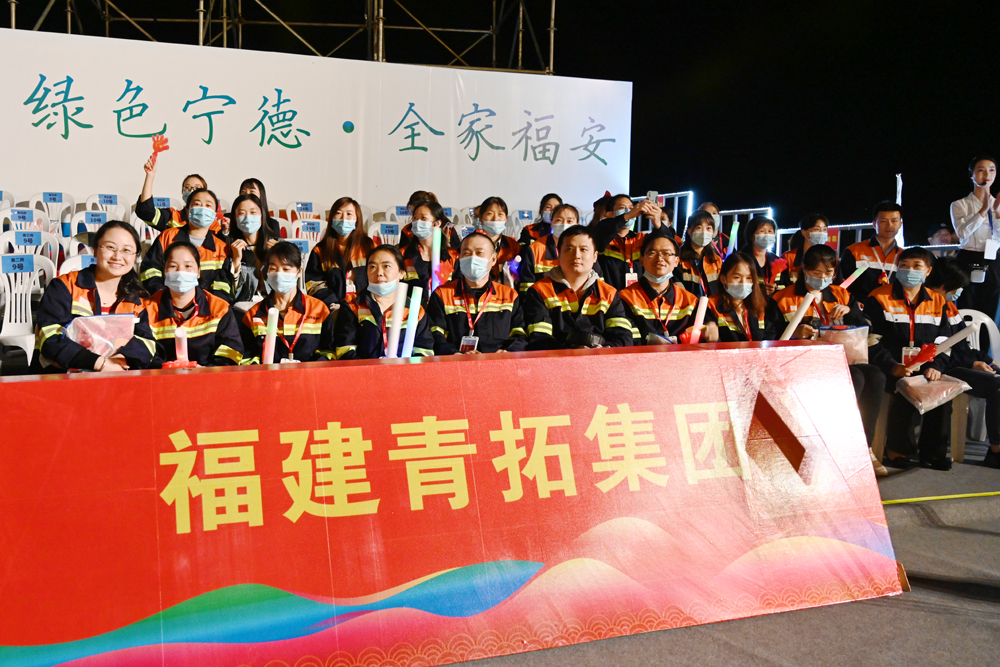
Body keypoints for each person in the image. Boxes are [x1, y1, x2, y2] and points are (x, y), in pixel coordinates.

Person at [768, 244, 885, 458]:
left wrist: (850, 311)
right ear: (804, 269)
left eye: (828, 272)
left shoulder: (842, 295)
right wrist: (795, 332)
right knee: (854, 377)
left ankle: (864, 447)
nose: (822, 278)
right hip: (802, 363)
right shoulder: (783, 298)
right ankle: (836, 442)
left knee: (876, 375)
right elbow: (770, 335)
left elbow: (865, 327)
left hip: (841, 358)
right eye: (816, 272)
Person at [865, 247, 953, 470]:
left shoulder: (938, 301)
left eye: (916, 266)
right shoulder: (879, 297)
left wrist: (936, 366)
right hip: (890, 365)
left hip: (926, 364)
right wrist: (892, 366)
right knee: (905, 387)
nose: (909, 270)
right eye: (904, 266)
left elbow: (944, 339)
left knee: (942, 392)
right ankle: (897, 450)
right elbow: (871, 339)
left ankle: (933, 453)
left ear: (928, 271)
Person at [34, 221, 156, 372]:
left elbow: (147, 343)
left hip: (115, 375)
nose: (117, 256)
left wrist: (118, 361)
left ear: (135, 256)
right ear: (95, 250)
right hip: (61, 377)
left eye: (126, 250)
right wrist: (100, 364)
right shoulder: (65, 286)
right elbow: (50, 338)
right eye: (110, 247)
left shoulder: (135, 300)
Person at [925, 257, 1000, 468]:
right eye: (957, 287)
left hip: (961, 363)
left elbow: (963, 345)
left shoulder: (950, 306)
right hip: (944, 367)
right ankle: (996, 451)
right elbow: (941, 348)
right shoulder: (928, 306)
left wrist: (988, 360)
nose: (959, 292)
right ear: (944, 284)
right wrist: (972, 364)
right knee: (997, 386)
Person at [521, 225, 633, 350]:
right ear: (558, 254)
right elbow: (539, 339)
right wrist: (573, 353)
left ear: (595, 256)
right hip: (557, 360)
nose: (577, 255)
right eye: (569, 249)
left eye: (583, 249)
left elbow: (623, 336)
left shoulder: (609, 293)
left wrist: (603, 350)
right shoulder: (539, 291)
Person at [145, 241, 244, 366]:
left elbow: (231, 352)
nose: (180, 271)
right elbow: (143, 353)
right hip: (162, 376)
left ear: (198, 272)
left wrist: (204, 371)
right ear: (164, 272)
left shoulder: (220, 309)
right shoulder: (146, 309)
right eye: (173, 266)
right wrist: (166, 368)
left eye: (188, 266)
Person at [426, 232, 527, 354]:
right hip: (457, 363)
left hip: (498, 362)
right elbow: (435, 335)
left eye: (479, 253)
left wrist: (507, 352)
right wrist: (454, 354)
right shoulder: (442, 294)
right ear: (460, 258)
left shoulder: (509, 295)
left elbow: (519, 334)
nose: (472, 258)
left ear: (493, 259)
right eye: (466, 253)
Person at [240, 242, 336, 363]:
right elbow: (247, 357)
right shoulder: (253, 315)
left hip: (310, 374)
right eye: (273, 269)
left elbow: (328, 351)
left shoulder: (319, 309)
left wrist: (308, 371)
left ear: (299, 272)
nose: (279, 274)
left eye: (286, 269)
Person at [333, 245, 435, 359]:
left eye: (386, 266)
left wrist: (405, 367)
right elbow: (345, 350)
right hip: (364, 369)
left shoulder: (414, 309)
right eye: (372, 267)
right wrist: (373, 368)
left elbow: (424, 350)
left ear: (401, 273)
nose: (379, 273)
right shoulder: (352, 305)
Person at [139, 188, 234, 302]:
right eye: (197, 204)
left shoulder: (222, 248)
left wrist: (208, 305)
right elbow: (150, 270)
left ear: (214, 214)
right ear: (188, 210)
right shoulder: (167, 237)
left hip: (207, 308)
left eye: (208, 205)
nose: (202, 209)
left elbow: (222, 285)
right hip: (165, 303)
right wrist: (161, 295)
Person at [619, 231, 714, 344]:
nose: (660, 258)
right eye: (652, 253)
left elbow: (700, 339)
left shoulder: (690, 302)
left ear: (676, 261)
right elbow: (627, 340)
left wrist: (710, 333)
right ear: (641, 260)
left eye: (667, 253)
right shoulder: (625, 298)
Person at [951, 156, 1000, 321]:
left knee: (991, 307)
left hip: (992, 258)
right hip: (968, 257)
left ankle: (987, 337)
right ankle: (965, 337)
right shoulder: (959, 204)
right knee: (965, 305)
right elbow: (962, 233)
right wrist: (983, 210)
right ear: (971, 175)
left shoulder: (998, 204)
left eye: (991, 170)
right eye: (981, 170)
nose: (987, 174)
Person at [304, 196, 374, 306]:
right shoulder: (320, 250)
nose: (343, 218)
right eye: (338, 213)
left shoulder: (369, 246)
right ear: (332, 218)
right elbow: (313, 283)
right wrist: (332, 302)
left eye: (349, 214)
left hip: (364, 305)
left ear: (357, 219)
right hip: (333, 307)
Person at [591, 193, 665, 290]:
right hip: (609, 294)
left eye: (631, 208)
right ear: (609, 214)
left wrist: (658, 223)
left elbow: (667, 246)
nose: (629, 211)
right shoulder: (603, 235)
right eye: (622, 208)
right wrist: (628, 215)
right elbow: (600, 234)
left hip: (637, 295)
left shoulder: (641, 238)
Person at [840, 202, 903, 306]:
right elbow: (842, 285)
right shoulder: (854, 251)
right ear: (874, 224)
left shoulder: (904, 256)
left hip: (892, 311)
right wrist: (853, 304)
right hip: (860, 310)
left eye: (894, 221)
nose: (889, 225)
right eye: (883, 221)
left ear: (900, 224)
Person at [706, 252, 773, 342]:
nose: (743, 283)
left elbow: (769, 336)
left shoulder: (760, 306)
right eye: (737, 277)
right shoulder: (712, 305)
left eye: (748, 278)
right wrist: (713, 339)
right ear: (723, 279)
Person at [398, 199, 458, 299]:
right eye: (415, 218)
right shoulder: (403, 254)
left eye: (423, 218)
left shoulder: (453, 256)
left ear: (437, 223)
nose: (418, 222)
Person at [135, 153, 209, 231]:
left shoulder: (212, 224)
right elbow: (146, 211)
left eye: (198, 188)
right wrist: (150, 176)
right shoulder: (172, 218)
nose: (192, 190)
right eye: (187, 187)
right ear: (183, 192)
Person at [228, 193, 278, 303]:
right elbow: (231, 290)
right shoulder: (229, 248)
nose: (247, 217)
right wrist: (236, 261)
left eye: (253, 212)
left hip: (273, 303)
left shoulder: (277, 245)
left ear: (262, 217)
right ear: (235, 218)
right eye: (241, 213)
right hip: (243, 305)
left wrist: (279, 256)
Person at [517, 203, 577, 293]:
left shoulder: (586, 248)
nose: (564, 225)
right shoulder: (535, 249)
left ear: (577, 225)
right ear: (551, 223)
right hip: (541, 300)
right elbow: (526, 287)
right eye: (559, 220)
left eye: (569, 221)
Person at [472, 196, 521, 286]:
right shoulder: (470, 244)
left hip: (506, 292)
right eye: (490, 214)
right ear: (481, 218)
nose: (495, 219)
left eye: (500, 214)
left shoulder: (513, 245)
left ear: (506, 219)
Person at [675, 210, 723, 297]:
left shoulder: (716, 260)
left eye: (708, 228)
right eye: (699, 228)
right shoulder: (678, 258)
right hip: (688, 304)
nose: (704, 232)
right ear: (689, 231)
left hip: (712, 304)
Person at [742, 215, 788, 296]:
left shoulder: (777, 261)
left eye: (770, 231)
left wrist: (774, 289)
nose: (767, 235)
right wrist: (760, 291)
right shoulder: (741, 259)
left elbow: (784, 286)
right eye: (762, 231)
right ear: (751, 235)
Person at [782, 213, 831, 283]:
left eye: (824, 229)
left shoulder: (830, 258)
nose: (822, 233)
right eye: (817, 229)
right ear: (804, 232)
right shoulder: (788, 257)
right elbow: (782, 284)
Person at [238, 177, 282, 242]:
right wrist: (225, 232)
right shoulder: (230, 219)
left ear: (261, 195)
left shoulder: (272, 224)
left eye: (252, 192)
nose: (247, 195)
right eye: (243, 192)